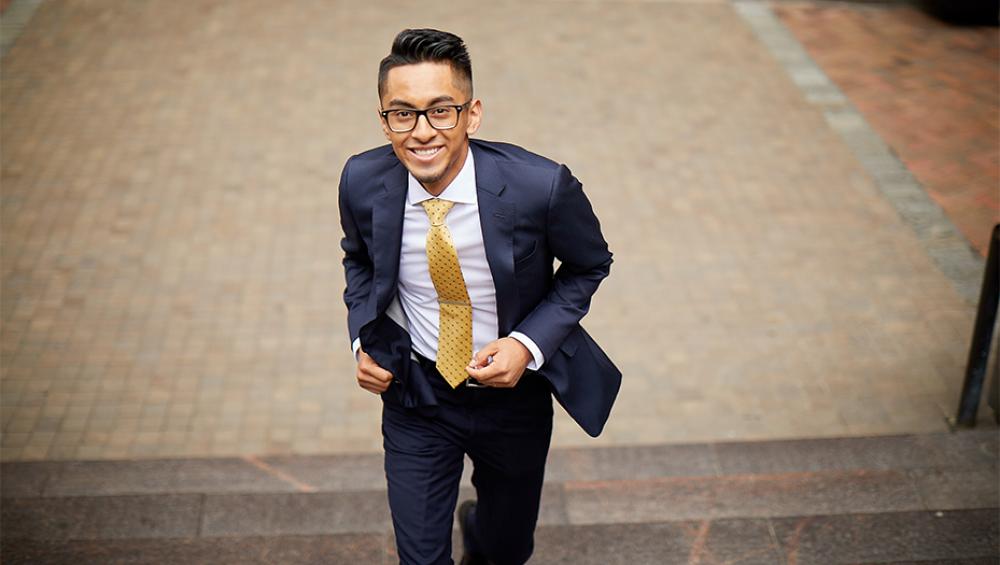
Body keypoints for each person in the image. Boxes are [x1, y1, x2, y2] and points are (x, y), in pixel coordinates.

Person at [338, 28, 621, 565]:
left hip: (513, 398)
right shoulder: (360, 180)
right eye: (402, 114)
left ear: (473, 114)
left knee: (505, 550)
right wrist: (360, 340)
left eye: (441, 111)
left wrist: (526, 345)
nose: (422, 132)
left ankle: (483, 531)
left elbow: (589, 265)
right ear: (384, 119)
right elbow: (359, 260)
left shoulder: (542, 186)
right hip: (415, 393)